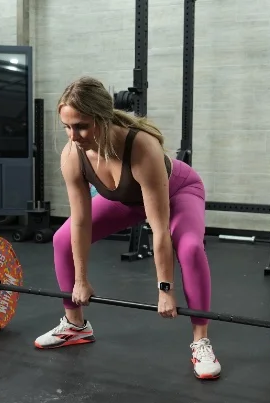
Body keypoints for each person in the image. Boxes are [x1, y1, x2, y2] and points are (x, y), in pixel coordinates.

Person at [34, 76, 221, 380]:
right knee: (62, 238)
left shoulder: (140, 147)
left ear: (103, 119)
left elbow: (159, 230)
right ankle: (75, 325)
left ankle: (201, 341)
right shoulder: (72, 154)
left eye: (81, 126)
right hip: (126, 199)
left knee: (188, 247)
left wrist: (165, 289)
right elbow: (80, 221)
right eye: (67, 127)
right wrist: (81, 280)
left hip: (178, 192)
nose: (73, 135)